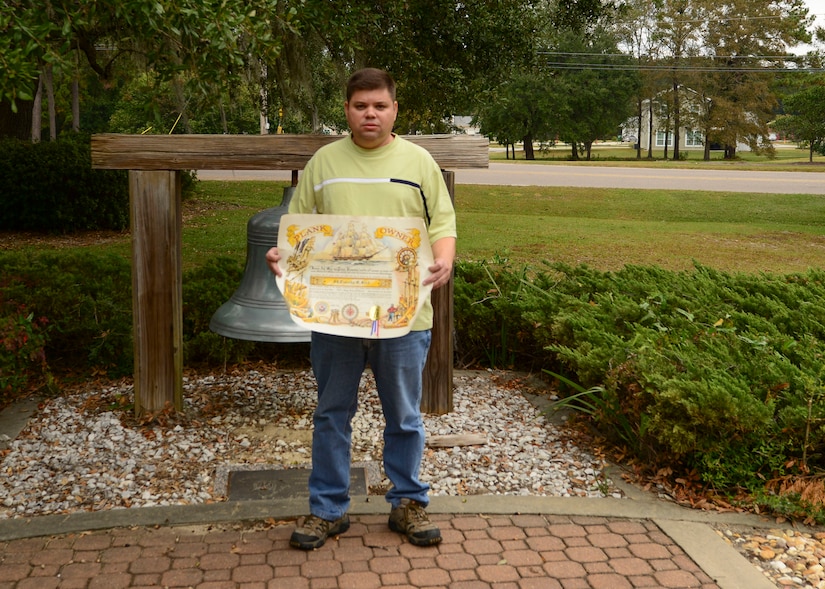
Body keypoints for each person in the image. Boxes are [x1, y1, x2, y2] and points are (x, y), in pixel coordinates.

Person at [265, 68, 457, 550]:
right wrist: (282, 256)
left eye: (379, 105)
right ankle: (328, 510)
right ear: (347, 109)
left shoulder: (419, 162)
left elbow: (442, 222)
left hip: (403, 316)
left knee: (405, 415)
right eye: (360, 106)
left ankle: (409, 503)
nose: (370, 113)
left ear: (395, 109)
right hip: (335, 314)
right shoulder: (324, 162)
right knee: (332, 413)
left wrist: (446, 258)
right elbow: (300, 227)